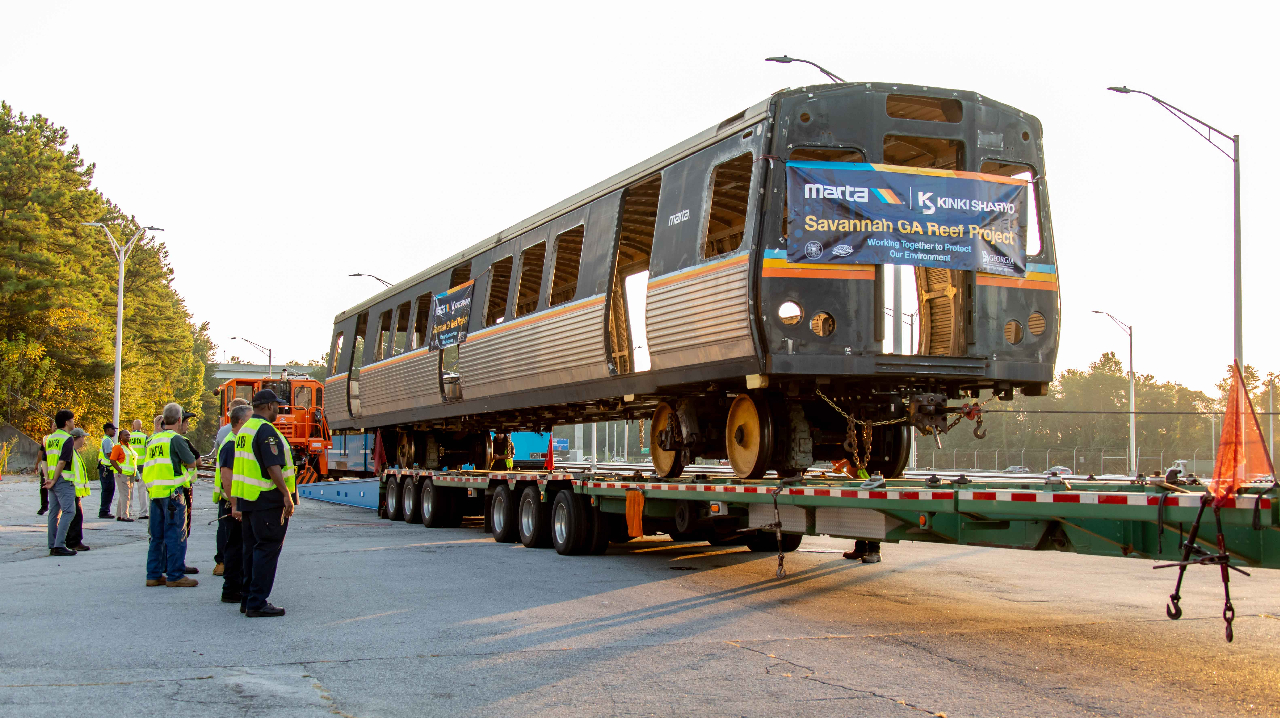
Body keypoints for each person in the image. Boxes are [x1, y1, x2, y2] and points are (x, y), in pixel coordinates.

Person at [232, 389, 297, 617]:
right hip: (266, 500)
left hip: (248, 500)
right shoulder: (266, 431)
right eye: (277, 406)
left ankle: (248, 599)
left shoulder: (245, 430)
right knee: (267, 549)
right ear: (269, 406)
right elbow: (273, 466)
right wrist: (286, 494)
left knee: (251, 549)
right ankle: (257, 602)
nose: (279, 410)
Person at [142, 403, 198, 587]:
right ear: (180, 419)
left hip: (155, 493)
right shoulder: (176, 440)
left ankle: (154, 574)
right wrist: (186, 477)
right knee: (175, 535)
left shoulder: (152, 440)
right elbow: (191, 463)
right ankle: (175, 575)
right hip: (173, 494)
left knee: (156, 537)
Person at [216, 404, 251, 602]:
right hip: (233, 504)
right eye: (249, 418)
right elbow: (226, 478)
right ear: (240, 422)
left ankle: (235, 587)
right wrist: (235, 504)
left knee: (238, 545)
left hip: (235, 502)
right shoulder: (231, 444)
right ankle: (231, 589)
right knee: (235, 547)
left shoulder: (236, 442)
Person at [45, 412, 88, 556]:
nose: (73, 423)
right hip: (62, 480)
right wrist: (55, 480)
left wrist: (48, 479)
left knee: (53, 513)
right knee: (69, 511)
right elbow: (62, 461)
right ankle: (60, 545)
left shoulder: (50, 438)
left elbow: (44, 461)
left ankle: (52, 544)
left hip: (51, 479)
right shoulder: (67, 439)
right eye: (72, 420)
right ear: (66, 422)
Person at [111, 429, 138, 522]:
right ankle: (124, 516)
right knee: (126, 494)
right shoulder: (118, 447)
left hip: (130, 474)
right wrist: (120, 471)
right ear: (120, 437)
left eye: (129, 435)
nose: (128, 437)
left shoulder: (129, 447)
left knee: (124, 494)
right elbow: (112, 460)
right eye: (126, 435)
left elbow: (133, 462)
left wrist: (136, 474)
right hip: (122, 474)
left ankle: (119, 514)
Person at [129, 420, 150, 519]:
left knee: (129, 490)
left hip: (130, 466)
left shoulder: (128, 436)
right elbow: (148, 452)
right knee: (142, 490)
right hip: (142, 466)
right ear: (141, 427)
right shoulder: (145, 437)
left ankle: (128, 511)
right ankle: (143, 512)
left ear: (133, 426)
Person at [97, 423, 118, 518]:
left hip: (105, 467)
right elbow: (110, 454)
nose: (115, 431)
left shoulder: (107, 439)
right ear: (108, 430)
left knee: (108, 489)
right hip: (106, 468)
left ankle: (105, 510)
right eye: (113, 429)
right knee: (108, 489)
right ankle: (104, 511)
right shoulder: (107, 441)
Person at [36, 420, 52, 515]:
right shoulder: (46, 438)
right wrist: (36, 464)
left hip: (58, 466)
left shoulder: (64, 438)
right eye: (53, 425)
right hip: (46, 466)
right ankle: (44, 506)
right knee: (43, 486)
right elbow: (41, 452)